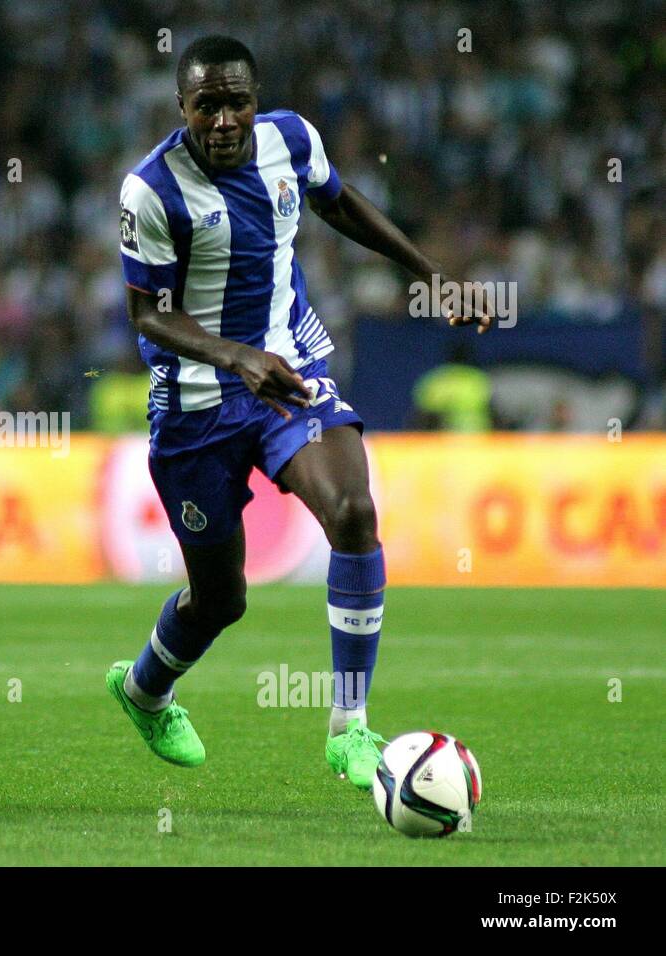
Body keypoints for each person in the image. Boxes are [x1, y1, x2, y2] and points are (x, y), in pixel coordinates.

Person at [107, 36, 492, 789]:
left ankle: (349, 726)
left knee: (353, 510)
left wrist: (430, 274)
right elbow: (148, 316)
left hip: (293, 374)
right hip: (196, 405)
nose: (223, 120)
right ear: (181, 108)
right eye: (205, 105)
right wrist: (238, 357)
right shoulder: (150, 191)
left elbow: (340, 201)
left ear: (257, 99)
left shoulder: (292, 140)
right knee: (221, 599)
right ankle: (145, 689)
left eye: (236, 102)